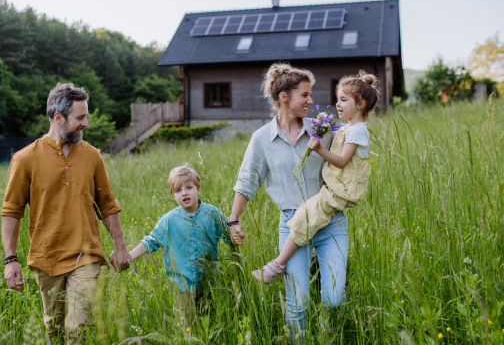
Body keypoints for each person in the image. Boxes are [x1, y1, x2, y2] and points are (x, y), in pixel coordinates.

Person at [1, 83, 131, 345]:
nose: (86, 124)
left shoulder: (92, 155)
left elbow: (107, 204)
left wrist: (121, 247)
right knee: (55, 328)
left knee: (78, 327)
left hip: (87, 255)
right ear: (58, 118)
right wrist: (10, 259)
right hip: (46, 257)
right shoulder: (25, 158)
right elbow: (12, 211)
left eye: (86, 116)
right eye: (80, 118)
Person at [228, 63, 337, 341]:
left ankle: (329, 336)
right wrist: (234, 220)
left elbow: (346, 156)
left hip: (327, 220)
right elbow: (247, 181)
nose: (311, 101)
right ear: (284, 97)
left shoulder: (321, 129)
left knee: (333, 297)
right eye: (305, 95)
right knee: (297, 301)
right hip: (291, 224)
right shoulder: (262, 138)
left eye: (310, 95)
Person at [253, 71, 380, 285]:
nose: (337, 104)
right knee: (309, 215)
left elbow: (341, 161)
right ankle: (309, 252)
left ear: (360, 104)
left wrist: (319, 148)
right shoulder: (350, 128)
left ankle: (277, 265)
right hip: (335, 188)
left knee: (304, 215)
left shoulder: (357, 132)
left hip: (340, 190)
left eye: (343, 100)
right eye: (337, 99)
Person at [113, 164, 228, 323]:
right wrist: (128, 257)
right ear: (173, 196)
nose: (184, 193)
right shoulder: (169, 220)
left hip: (210, 283)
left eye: (189, 187)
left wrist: (236, 236)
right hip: (182, 287)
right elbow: (150, 242)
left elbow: (229, 234)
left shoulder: (212, 213)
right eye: (178, 190)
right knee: (187, 326)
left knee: (210, 323)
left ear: (198, 189)